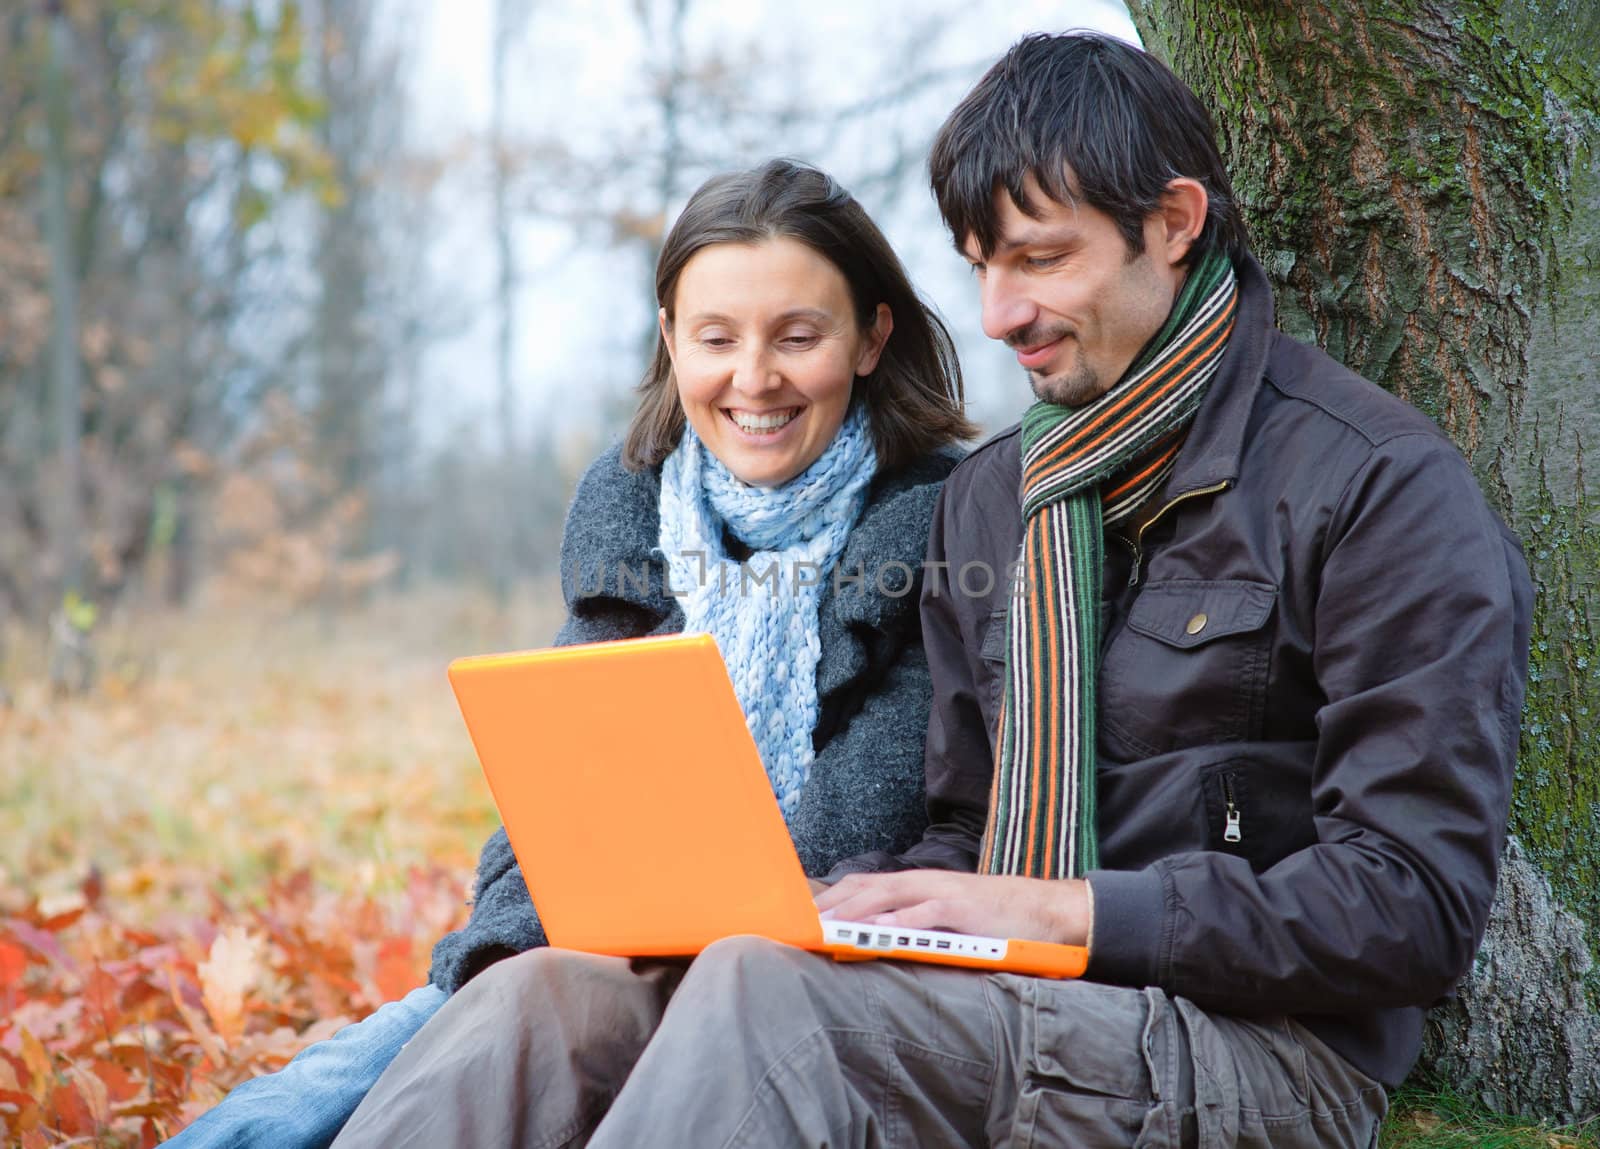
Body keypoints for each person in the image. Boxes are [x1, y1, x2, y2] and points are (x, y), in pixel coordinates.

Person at [330, 33, 1533, 1149]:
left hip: (1255, 1048)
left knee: (768, 998)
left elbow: (1411, 902)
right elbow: (967, 816)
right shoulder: (997, 497)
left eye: (1042, 259)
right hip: (999, 997)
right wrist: (858, 902)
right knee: (544, 998)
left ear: (1172, 223)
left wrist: (1073, 914)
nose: (1001, 313)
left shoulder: (1373, 487)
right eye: (981, 266)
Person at [161, 157, 975, 1148]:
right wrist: (500, 959)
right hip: (592, 940)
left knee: (456, 1047)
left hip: (781, 978)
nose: (753, 377)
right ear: (671, 341)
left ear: (870, 338)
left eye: (797, 337)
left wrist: (628, 910)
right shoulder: (636, 509)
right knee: (314, 1097)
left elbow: (864, 816)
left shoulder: (937, 521)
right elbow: (547, 810)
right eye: (715, 338)